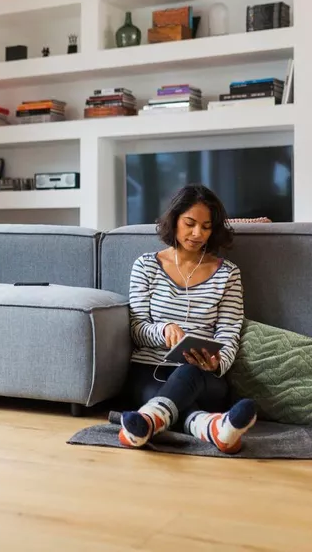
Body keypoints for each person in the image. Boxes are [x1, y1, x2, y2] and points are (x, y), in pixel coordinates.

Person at [119, 183, 256, 453]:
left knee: (186, 375)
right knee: (167, 396)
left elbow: (229, 332)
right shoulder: (146, 265)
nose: (197, 234)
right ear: (174, 219)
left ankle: (144, 424)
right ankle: (216, 428)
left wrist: (217, 362)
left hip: (205, 377)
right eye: (190, 223)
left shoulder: (228, 274)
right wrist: (164, 330)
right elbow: (136, 328)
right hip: (151, 369)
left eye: (206, 227)